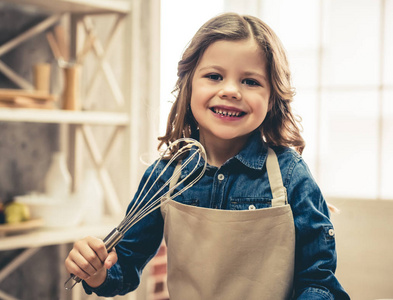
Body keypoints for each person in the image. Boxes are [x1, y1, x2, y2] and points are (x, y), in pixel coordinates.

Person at [65, 12, 350, 299]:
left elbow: (318, 281)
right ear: (189, 86)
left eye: (250, 81)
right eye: (214, 76)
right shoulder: (164, 177)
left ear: (272, 97)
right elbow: (124, 269)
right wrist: (98, 271)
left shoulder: (291, 176)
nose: (230, 91)